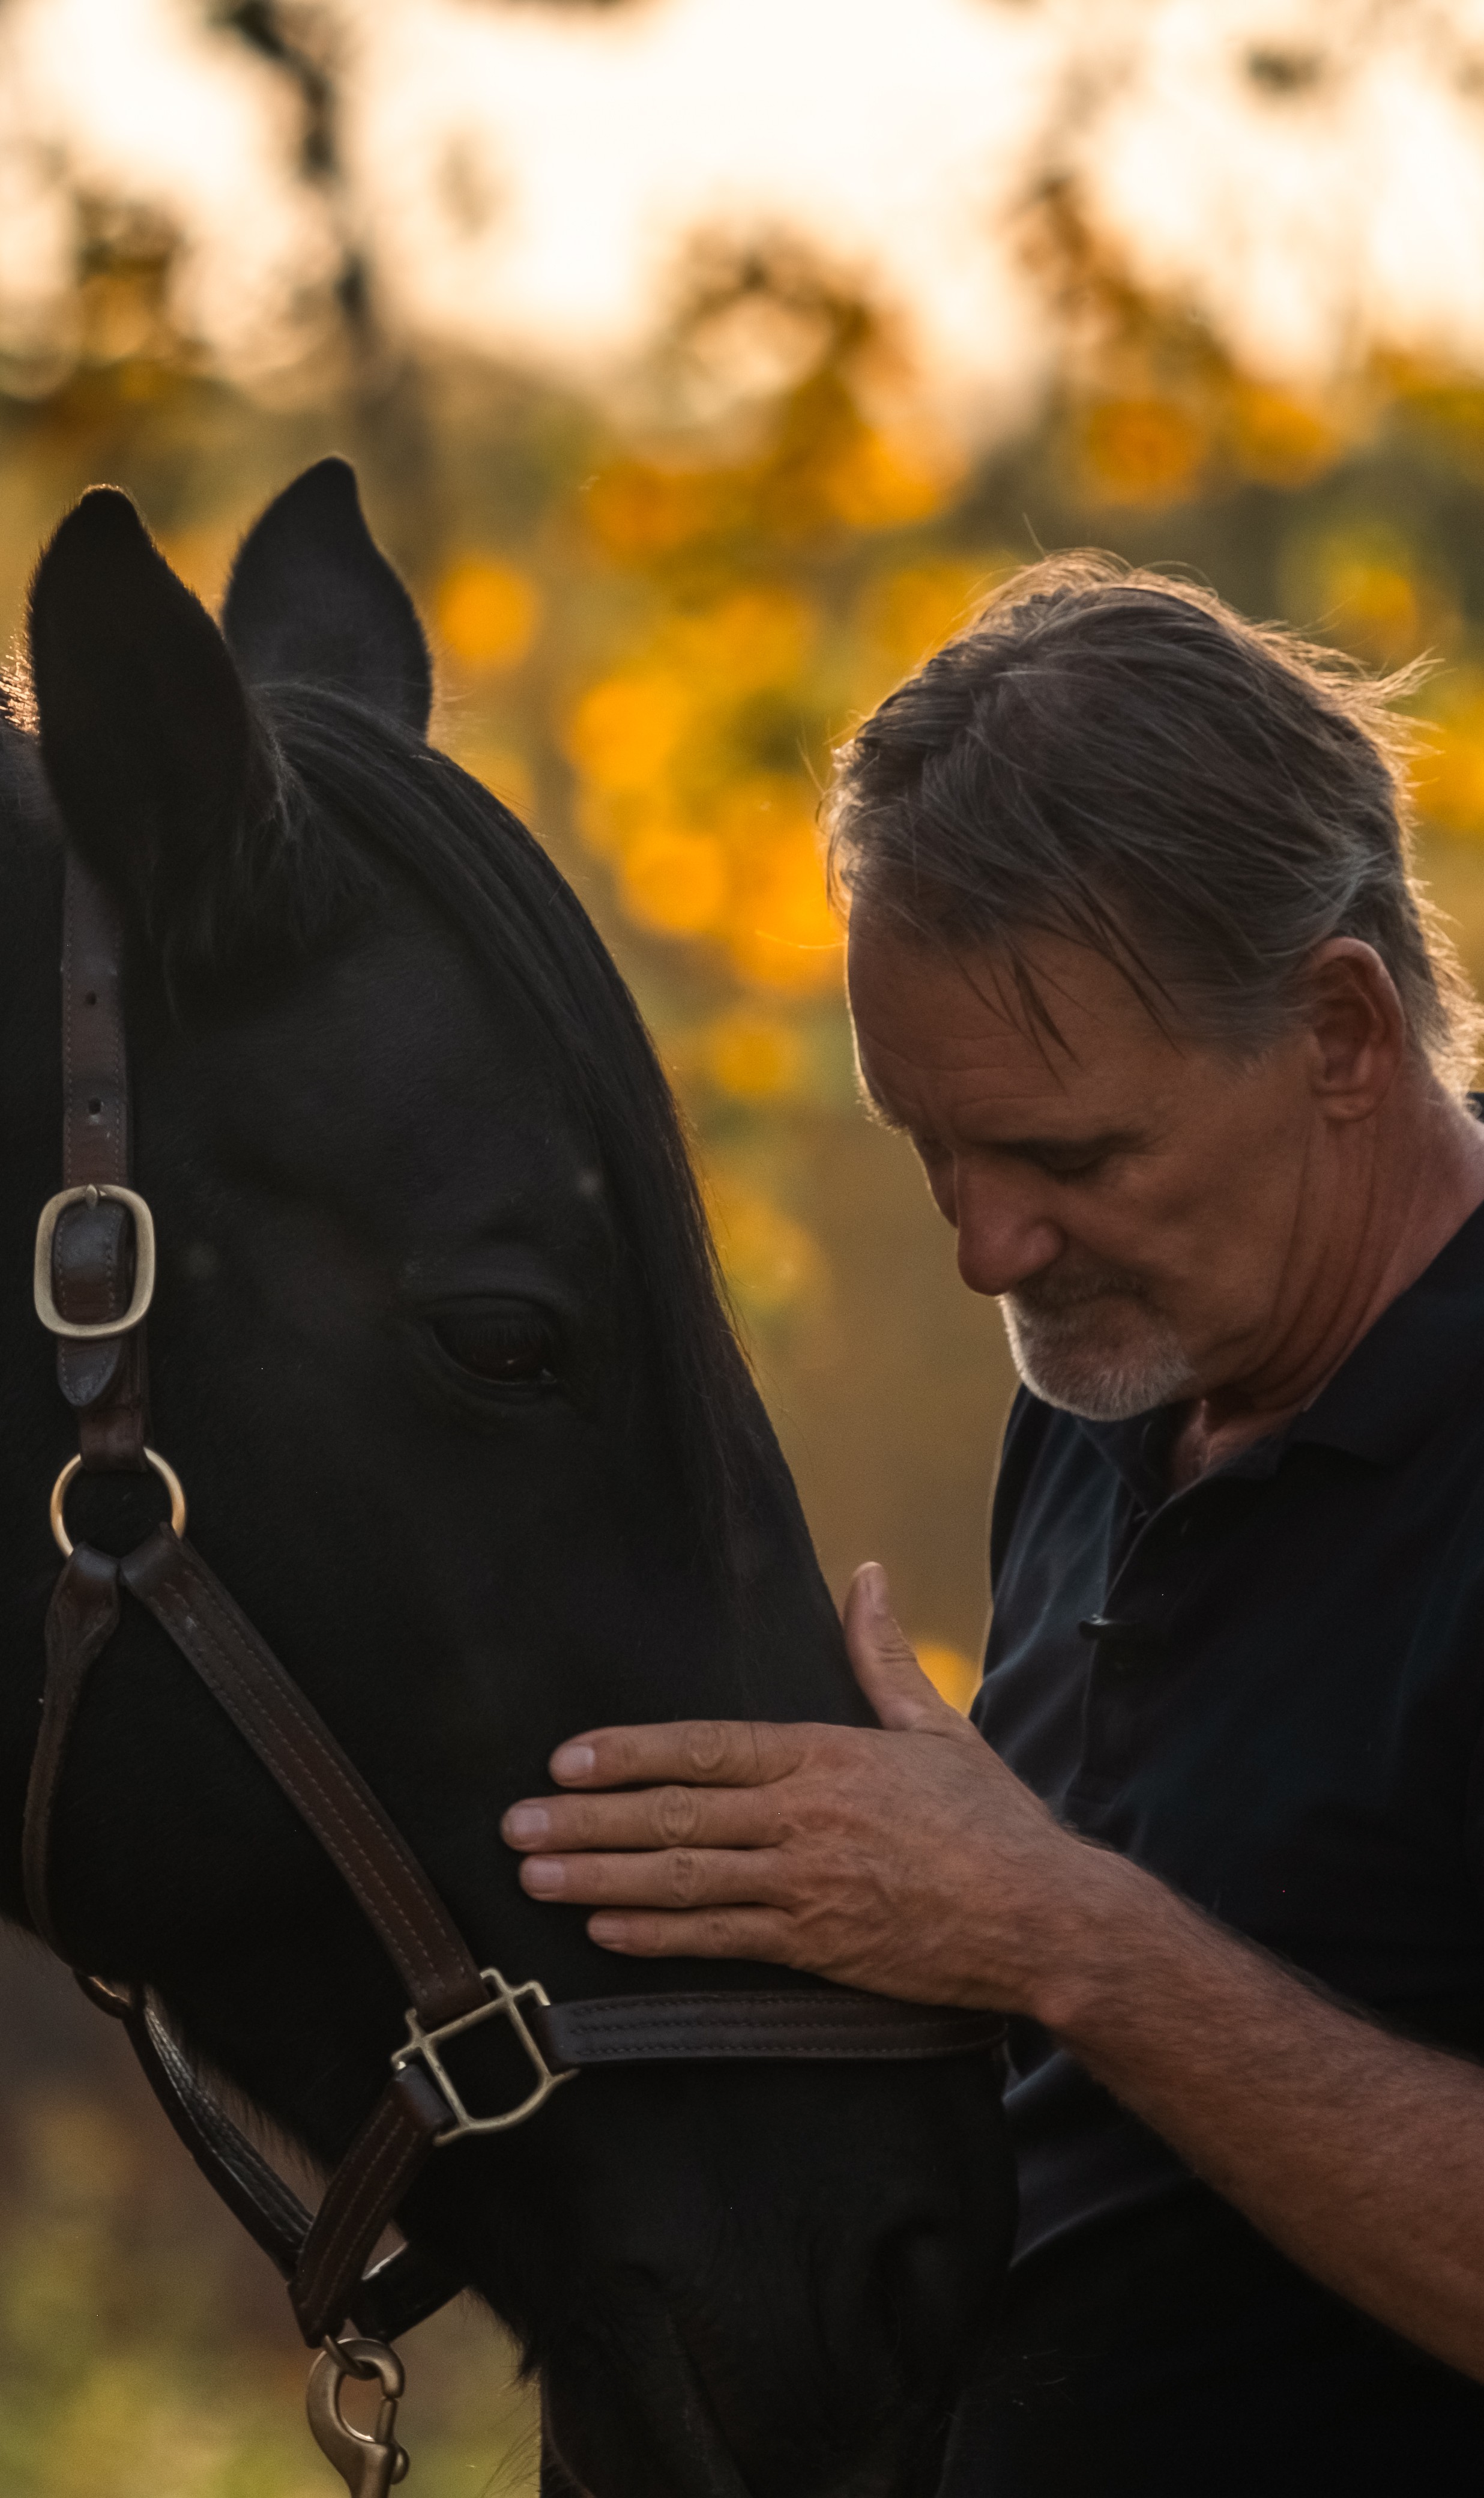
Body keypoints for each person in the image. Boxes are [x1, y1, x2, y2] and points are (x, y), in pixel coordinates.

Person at [500, 557, 1484, 2490]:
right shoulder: (1117, 1381)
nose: (985, 1248)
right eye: (928, 1146)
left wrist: (1056, 1928)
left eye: (1067, 1155)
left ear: (1346, 1036)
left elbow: (1089, 1960)